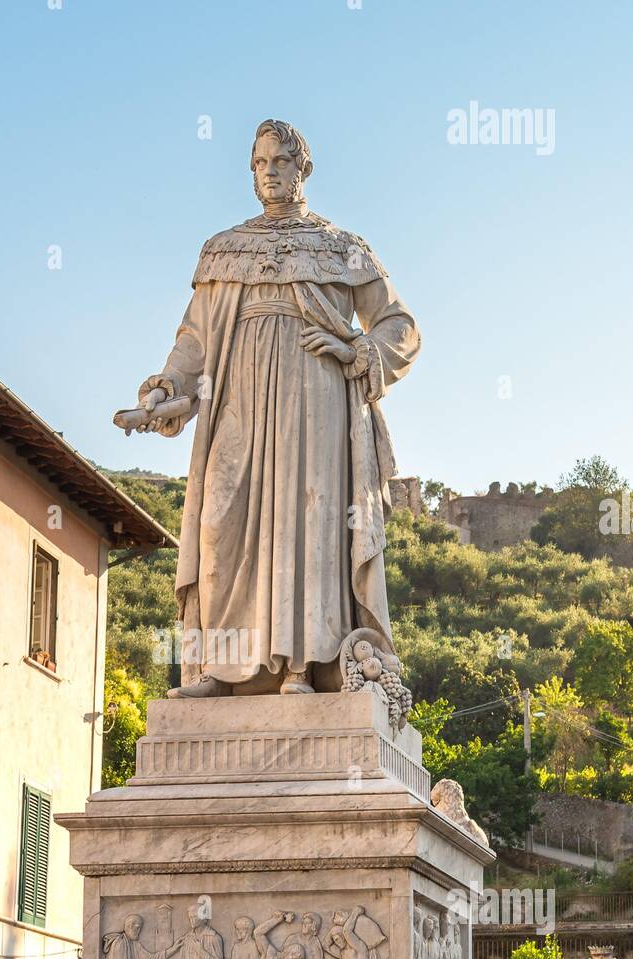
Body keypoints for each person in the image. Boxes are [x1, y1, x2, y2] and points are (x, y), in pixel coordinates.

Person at [128, 119, 420, 696]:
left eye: (281, 162)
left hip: (315, 406)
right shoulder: (225, 249)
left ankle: (298, 666)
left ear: (303, 169)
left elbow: (401, 326)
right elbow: (194, 340)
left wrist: (357, 348)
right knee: (219, 521)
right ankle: (218, 668)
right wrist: (166, 388)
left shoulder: (341, 248)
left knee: (305, 526)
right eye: (261, 163)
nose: (270, 173)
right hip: (235, 401)